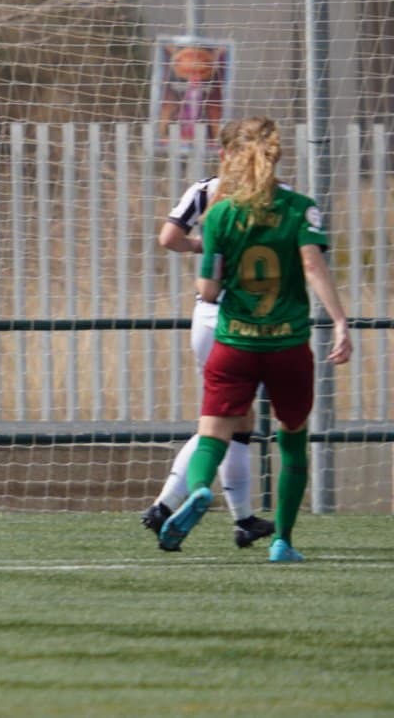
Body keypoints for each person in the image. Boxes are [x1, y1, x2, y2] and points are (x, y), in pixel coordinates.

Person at [156, 117, 353, 562]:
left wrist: (218, 271)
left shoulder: (220, 212)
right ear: (277, 156)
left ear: (228, 157)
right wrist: (340, 322)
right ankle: (281, 540)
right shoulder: (301, 207)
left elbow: (207, 291)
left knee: (214, 433)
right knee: (293, 438)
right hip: (287, 346)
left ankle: (201, 490)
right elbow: (313, 267)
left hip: (234, 343)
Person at [141, 120, 276, 549]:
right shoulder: (276, 195)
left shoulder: (205, 189)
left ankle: (244, 519)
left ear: (223, 153)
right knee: (223, 419)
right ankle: (165, 506)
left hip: (205, 317)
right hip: (244, 319)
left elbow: (168, 238)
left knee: (235, 416)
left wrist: (206, 245)